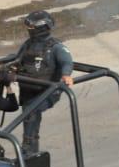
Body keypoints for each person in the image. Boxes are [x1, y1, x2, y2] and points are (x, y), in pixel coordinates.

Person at [12, 10, 74, 157]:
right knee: (28, 114)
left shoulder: (55, 46)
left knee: (31, 113)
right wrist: (11, 68)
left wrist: (66, 75)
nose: (29, 30)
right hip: (28, 90)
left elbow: (66, 61)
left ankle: (29, 150)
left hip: (47, 92)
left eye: (31, 27)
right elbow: (17, 60)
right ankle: (29, 148)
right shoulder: (28, 45)